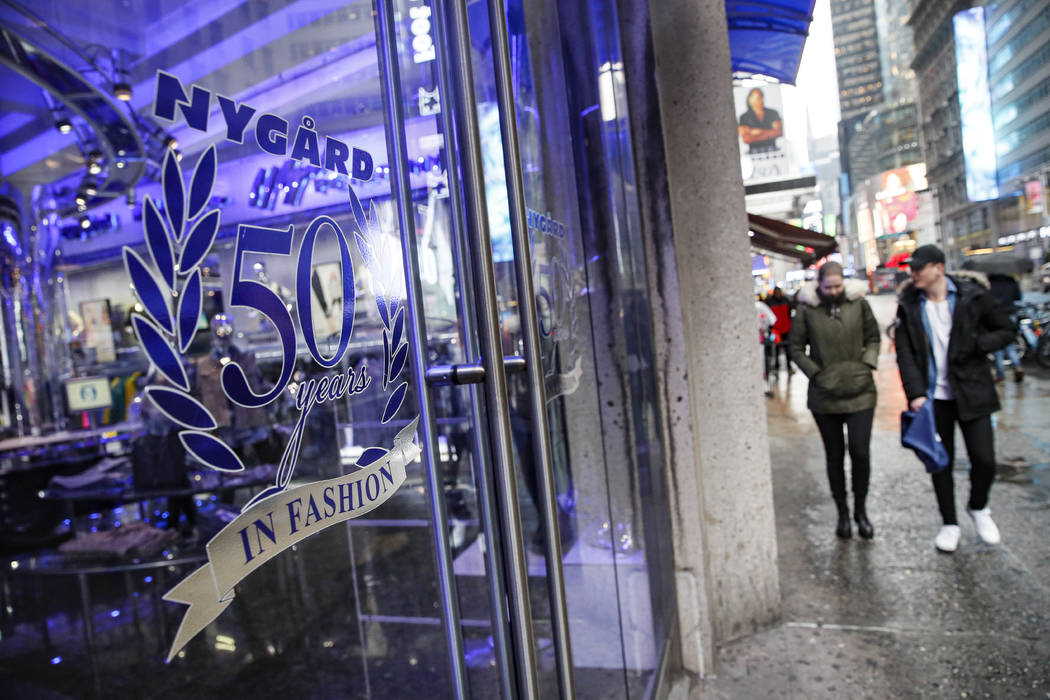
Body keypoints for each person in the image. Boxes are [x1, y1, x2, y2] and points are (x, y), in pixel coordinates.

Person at [894, 245, 1015, 553]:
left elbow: (1006, 329)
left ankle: (979, 506)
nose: (914, 274)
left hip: (972, 390)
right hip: (935, 399)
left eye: (919, 268)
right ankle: (949, 523)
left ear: (939, 267)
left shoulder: (972, 296)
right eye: (912, 268)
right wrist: (916, 393)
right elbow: (905, 352)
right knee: (939, 463)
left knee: (985, 459)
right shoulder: (908, 304)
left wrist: (978, 344)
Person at [789, 262, 880, 539]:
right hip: (824, 394)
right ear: (819, 285)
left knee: (860, 452)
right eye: (827, 287)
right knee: (834, 455)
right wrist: (817, 374)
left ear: (844, 283)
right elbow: (795, 347)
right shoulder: (807, 310)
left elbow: (874, 337)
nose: (833, 291)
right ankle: (842, 513)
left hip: (860, 390)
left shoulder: (859, 304)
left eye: (837, 286)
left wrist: (866, 365)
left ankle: (860, 511)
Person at [985, 272, 1024, 382]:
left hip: (995, 314)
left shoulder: (990, 283)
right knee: (1009, 342)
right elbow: (1018, 297)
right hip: (1010, 313)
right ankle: (1017, 366)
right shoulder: (1011, 281)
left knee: (997, 344)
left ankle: (1000, 373)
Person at [737, 87, 783, 154]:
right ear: (750, 100)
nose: (762, 100)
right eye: (758, 98)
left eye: (762, 97)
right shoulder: (744, 117)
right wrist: (770, 133)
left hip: (773, 151)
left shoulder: (773, 113)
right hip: (753, 154)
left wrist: (759, 132)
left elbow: (778, 132)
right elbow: (746, 139)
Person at [767, 287, 794, 373]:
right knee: (776, 348)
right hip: (776, 330)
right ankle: (776, 366)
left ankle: (789, 366)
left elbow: (790, 314)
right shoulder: (770, 302)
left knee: (788, 348)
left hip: (786, 329)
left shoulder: (786, 300)